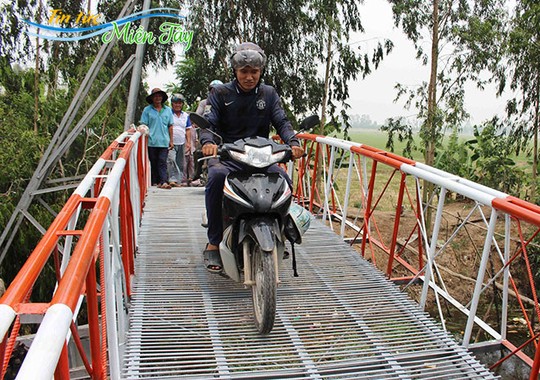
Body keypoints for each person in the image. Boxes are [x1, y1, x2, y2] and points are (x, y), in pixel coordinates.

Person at [200, 42, 304, 272]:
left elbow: (282, 121)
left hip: (261, 155)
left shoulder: (268, 93)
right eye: (244, 72)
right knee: (216, 177)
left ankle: (280, 230)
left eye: (254, 72)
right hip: (229, 155)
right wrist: (208, 142)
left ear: (260, 72)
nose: (249, 77)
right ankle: (214, 242)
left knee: (283, 180)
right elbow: (208, 123)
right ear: (235, 72)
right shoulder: (220, 93)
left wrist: (293, 142)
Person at [140, 88, 174, 189]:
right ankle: (155, 181)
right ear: (152, 98)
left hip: (164, 141)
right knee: (153, 161)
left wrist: (171, 140)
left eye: (159, 96)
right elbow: (143, 125)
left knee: (162, 161)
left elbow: (170, 126)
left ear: (162, 98)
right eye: (155, 96)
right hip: (151, 141)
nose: (158, 98)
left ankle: (164, 181)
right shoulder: (147, 110)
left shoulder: (167, 110)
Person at [168, 93, 192, 187]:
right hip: (171, 142)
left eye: (179, 103)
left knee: (180, 162)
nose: (178, 105)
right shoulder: (168, 113)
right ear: (172, 104)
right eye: (175, 103)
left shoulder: (185, 115)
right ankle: (171, 179)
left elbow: (188, 129)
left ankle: (179, 181)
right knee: (171, 160)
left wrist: (189, 143)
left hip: (181, 141)